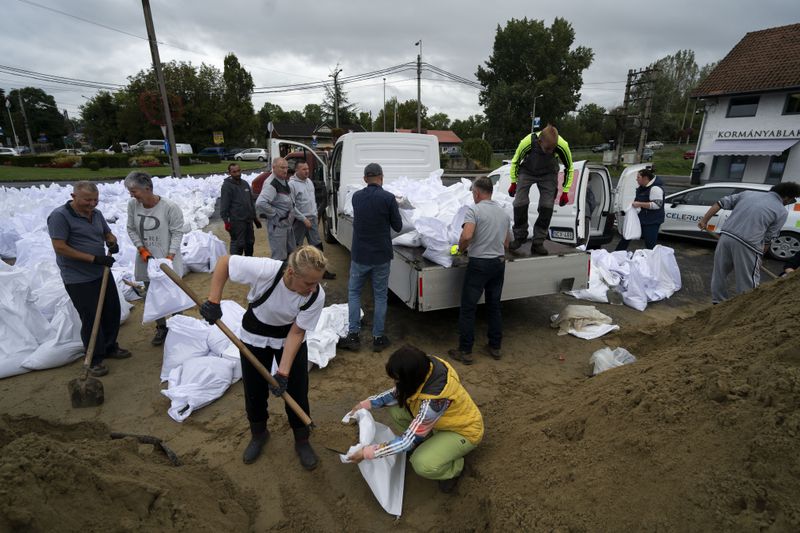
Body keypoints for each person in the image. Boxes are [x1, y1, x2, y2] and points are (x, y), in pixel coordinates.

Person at [198, 245, 327, 469]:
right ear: (291, 273)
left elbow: (297, 332)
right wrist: (214, 300)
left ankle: (302, 439)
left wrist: (283, 372)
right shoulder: (267, 271)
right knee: (254, 390)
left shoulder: (316, 296)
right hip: (254, 336)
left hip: (288, 337)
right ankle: (259, 434)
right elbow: (225, 262)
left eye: (317, 282)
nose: (313, 288)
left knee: (296, 390)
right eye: (308, 283)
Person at [347, 345, 484, 494]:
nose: (395, 383)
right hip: (440, 423)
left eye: (398, 379)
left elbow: (407, 441)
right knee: (397, 410)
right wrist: (366, 404)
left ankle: (455, 468)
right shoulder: (425, 366)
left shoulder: (434, 402)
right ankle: (430, 443)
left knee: (421, 463)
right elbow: (398, 393)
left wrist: (367, 453)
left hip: (463, 431)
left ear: (410, 379)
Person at [47, 181, 130, 377]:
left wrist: (112, 241)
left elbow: (106, 232)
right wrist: (94, 259)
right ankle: (94, 359)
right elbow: (60, 247)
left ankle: (110, 347)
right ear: (74, 196)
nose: (92, 204)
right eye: (87, 200)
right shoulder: (60, 216)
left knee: (111, 311)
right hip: (77, 277)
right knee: (92, 317)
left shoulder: (97, 214)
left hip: (101, 272)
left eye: (95, 200)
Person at [337, 163, 402, 353]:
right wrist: (394, 207)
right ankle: (378, 337)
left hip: (360, 255)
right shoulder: (388, 199)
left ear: (365, 179)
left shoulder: (357, 197)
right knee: (380, 295)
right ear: (381, 177)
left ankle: (353, 335)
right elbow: (397, 226)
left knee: (354, 293)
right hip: (381, 255)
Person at [699, 182, 800, 304]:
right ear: (786, 197)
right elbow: (769, 237)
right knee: (747, 280)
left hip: (726, 237)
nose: (789, 203)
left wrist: (704, 220)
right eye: (791, 200)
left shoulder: (748, 194)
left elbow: (720, 203)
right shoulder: (781, 211)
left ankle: (718, 301)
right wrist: (760, 255)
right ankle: (744, 307)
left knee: (719, 273)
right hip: (748, 244)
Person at [448, 176, 511, 365]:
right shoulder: (503, 213)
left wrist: (460, 248)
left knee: (468, 307)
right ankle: (495, 346)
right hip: (498, 263)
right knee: (494, 305)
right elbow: (507, 243)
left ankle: (465, 351)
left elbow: (467, 235)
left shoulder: (474, 210)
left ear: (476, 193)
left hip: (479, 264)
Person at [125, 171, 186, 346]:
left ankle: (178, 327)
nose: (131, 195)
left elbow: (177, 232)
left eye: (134, 191)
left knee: (174, 295)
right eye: (130, 192)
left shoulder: (169, 207)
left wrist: (170, 255)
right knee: (153, 295)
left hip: (168, 260)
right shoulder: (133, 205)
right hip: (147, 260)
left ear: (148, 188)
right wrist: (141, 249)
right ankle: (162, 328)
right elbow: (131, 228)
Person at [507, 125, 574, 256]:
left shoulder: (562, 145)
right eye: (547, 149)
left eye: (552, 149)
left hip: (548, 174)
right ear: (539, 141)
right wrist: (514, 182)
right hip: (527, 171)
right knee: (520, 202)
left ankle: (538, 242)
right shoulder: (527, 142)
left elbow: (569, 168)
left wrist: (565, 191)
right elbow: (515, 161)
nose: (550, 152)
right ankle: (520, 236)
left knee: (547, 206)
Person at [290, 160, 335, 279]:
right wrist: (304, 219)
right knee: (296, 247)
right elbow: (291, 206)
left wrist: (315, 215)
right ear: (297, 170)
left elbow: (312, 201)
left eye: (307, 169)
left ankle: (322, 271)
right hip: (299, 221)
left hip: (312, 219)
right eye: (304, 169)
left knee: (317, 246)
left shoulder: (309, 181)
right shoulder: (292, 185)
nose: (307, 171)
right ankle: (294, 272)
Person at [614, 168, 664, 251]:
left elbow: (657, 205)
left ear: (645, 178)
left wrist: (639, 204)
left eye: (638, 177)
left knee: (650, 244)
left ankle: (653, 260)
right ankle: (616, 254)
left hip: (651, 221)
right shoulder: (642, 187)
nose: (636, 179)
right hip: (640, 218)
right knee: (627, 236)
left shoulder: (655, 189)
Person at [255, 157, 296, 260]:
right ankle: (278, 276)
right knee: (279, 258)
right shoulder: (271, 184)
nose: (285, 170)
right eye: (282, 167)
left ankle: (287, 275)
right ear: (273, 167)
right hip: (278, 227)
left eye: (286, 167)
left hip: (287, 225)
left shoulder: (282, 180)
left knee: (290, 254)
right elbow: (261, 203)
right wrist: (275, 215)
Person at [220, 163, 261, 257]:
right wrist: (226, 222)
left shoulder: (245, 184)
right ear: (229, 173)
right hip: (236, 222)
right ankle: (235, 266)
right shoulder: (227, 186)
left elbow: (250, 202)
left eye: (239, 171)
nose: (238, 173)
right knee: (238, 244)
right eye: (234, 172)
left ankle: (248, 263)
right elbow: (224, 206)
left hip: (248, 221)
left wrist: (255, 218)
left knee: (250, 243)